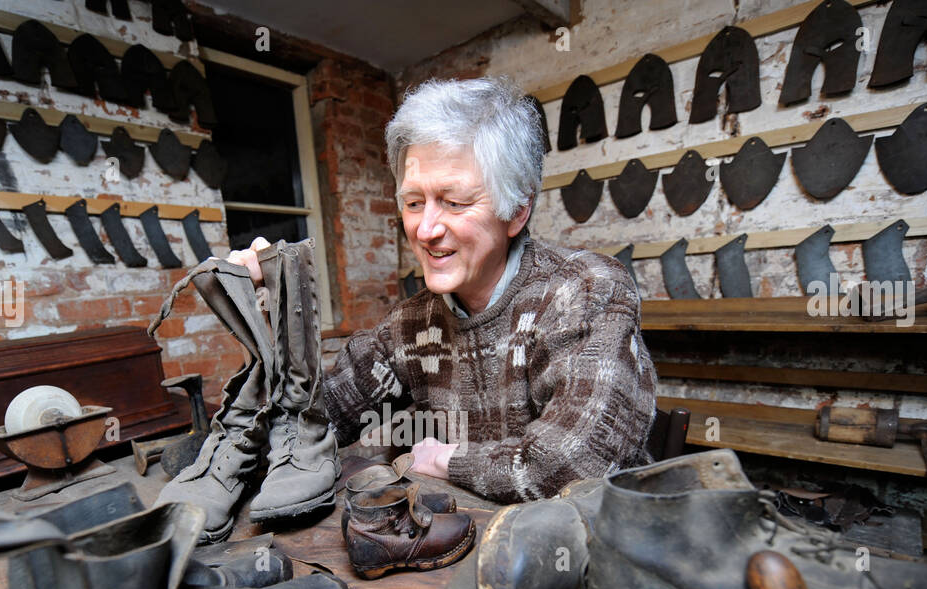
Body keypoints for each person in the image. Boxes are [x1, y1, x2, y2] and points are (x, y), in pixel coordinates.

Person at [233, 76, 657, 504]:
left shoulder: (585, 292)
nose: (426, 229)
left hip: (591, 550)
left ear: (517, 210)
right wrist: (276, 319)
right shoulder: (411, 325)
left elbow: (574, 466)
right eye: (414, 203)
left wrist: (447, 460)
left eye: (454, 202)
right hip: (468, 545)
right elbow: (310, 425)